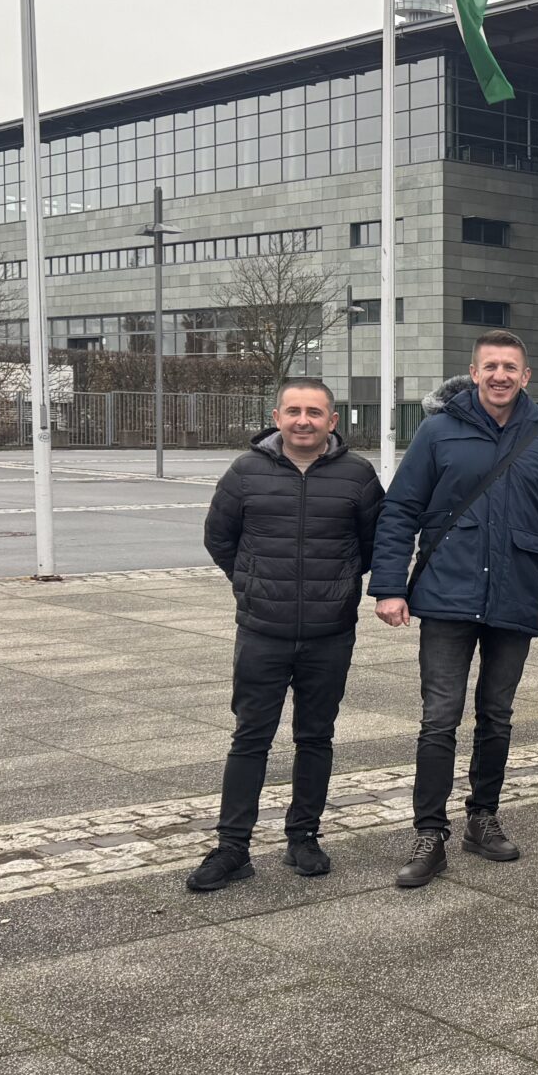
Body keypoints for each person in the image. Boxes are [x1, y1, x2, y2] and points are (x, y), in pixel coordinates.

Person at [370, 334, 538, 890]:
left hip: (517, 595)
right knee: (439, 717)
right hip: (447, 595)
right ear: (473, 372)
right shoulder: (438, 432)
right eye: (490, 366)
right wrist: (389, 587)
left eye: (510, 367)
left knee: (497, 715)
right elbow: (401, 510)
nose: (500, 375)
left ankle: (482, 818)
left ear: (526, 376)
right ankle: (429, 834)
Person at [186, 379, 386, 892]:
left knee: (315, 737)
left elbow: (373, 544)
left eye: (314, 412)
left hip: (329, 632)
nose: (303, 420)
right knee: (250, 737)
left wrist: (339, 586)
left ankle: (304, 837)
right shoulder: (245, 472)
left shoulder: (358, 475)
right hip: (262, 631)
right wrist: (250, 582)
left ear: (332, 421)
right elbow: (219, 538)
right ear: (276, 417)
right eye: (293, 411)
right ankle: (233, 847)